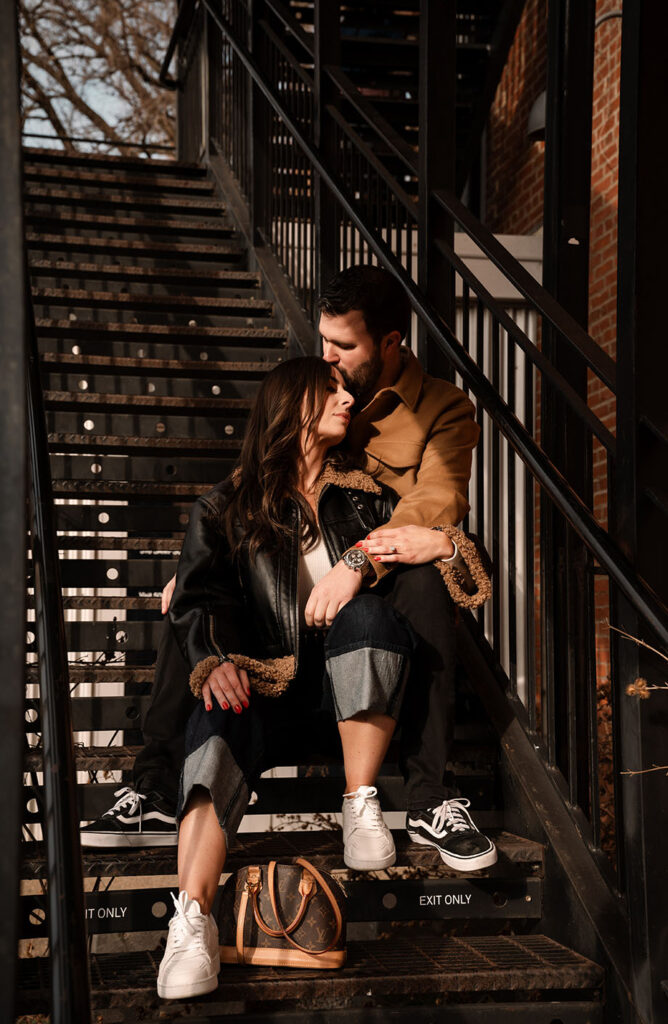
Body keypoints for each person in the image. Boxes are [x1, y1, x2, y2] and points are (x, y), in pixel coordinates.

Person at [81, 264, 496, 877]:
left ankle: (428, 794)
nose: (329, 358)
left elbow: (431, 509)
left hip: (378, 581)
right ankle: (159, 784)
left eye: (343, 348)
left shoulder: (441, 411)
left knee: (425, 567)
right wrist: (209, 549)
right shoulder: (319, 397)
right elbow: (277, 463)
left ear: (388, 342)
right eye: (323, 346)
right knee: (190, 593)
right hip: (291, 603)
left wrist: (363, 560)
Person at [156, 357, 456, 998]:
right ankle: (193, 920)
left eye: (346, 388)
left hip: (358, 701)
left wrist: (448, 545)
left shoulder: (368, 499)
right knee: (215, 713)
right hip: (270, 690)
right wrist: (215, 658)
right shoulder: (225, 507)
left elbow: (438, 556)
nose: (348, 397)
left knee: (368, 612)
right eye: (331, 391)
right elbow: (198, 598)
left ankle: (360, 804)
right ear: (292, 406)